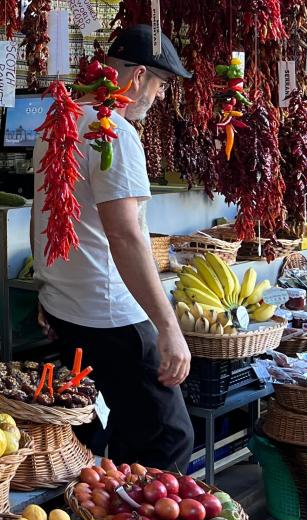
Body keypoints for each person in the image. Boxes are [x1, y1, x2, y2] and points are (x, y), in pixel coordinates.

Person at [30, 24, 194, 473]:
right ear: (138, 76)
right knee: (170, 438)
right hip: (112, 317)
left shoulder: (59, 122)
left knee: (109, 436)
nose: (159, 97)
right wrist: (168, 327)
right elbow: (125, 235)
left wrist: (46, 287)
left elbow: (41, 217)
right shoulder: (114, 132)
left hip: (67, 312)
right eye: (161, 85)